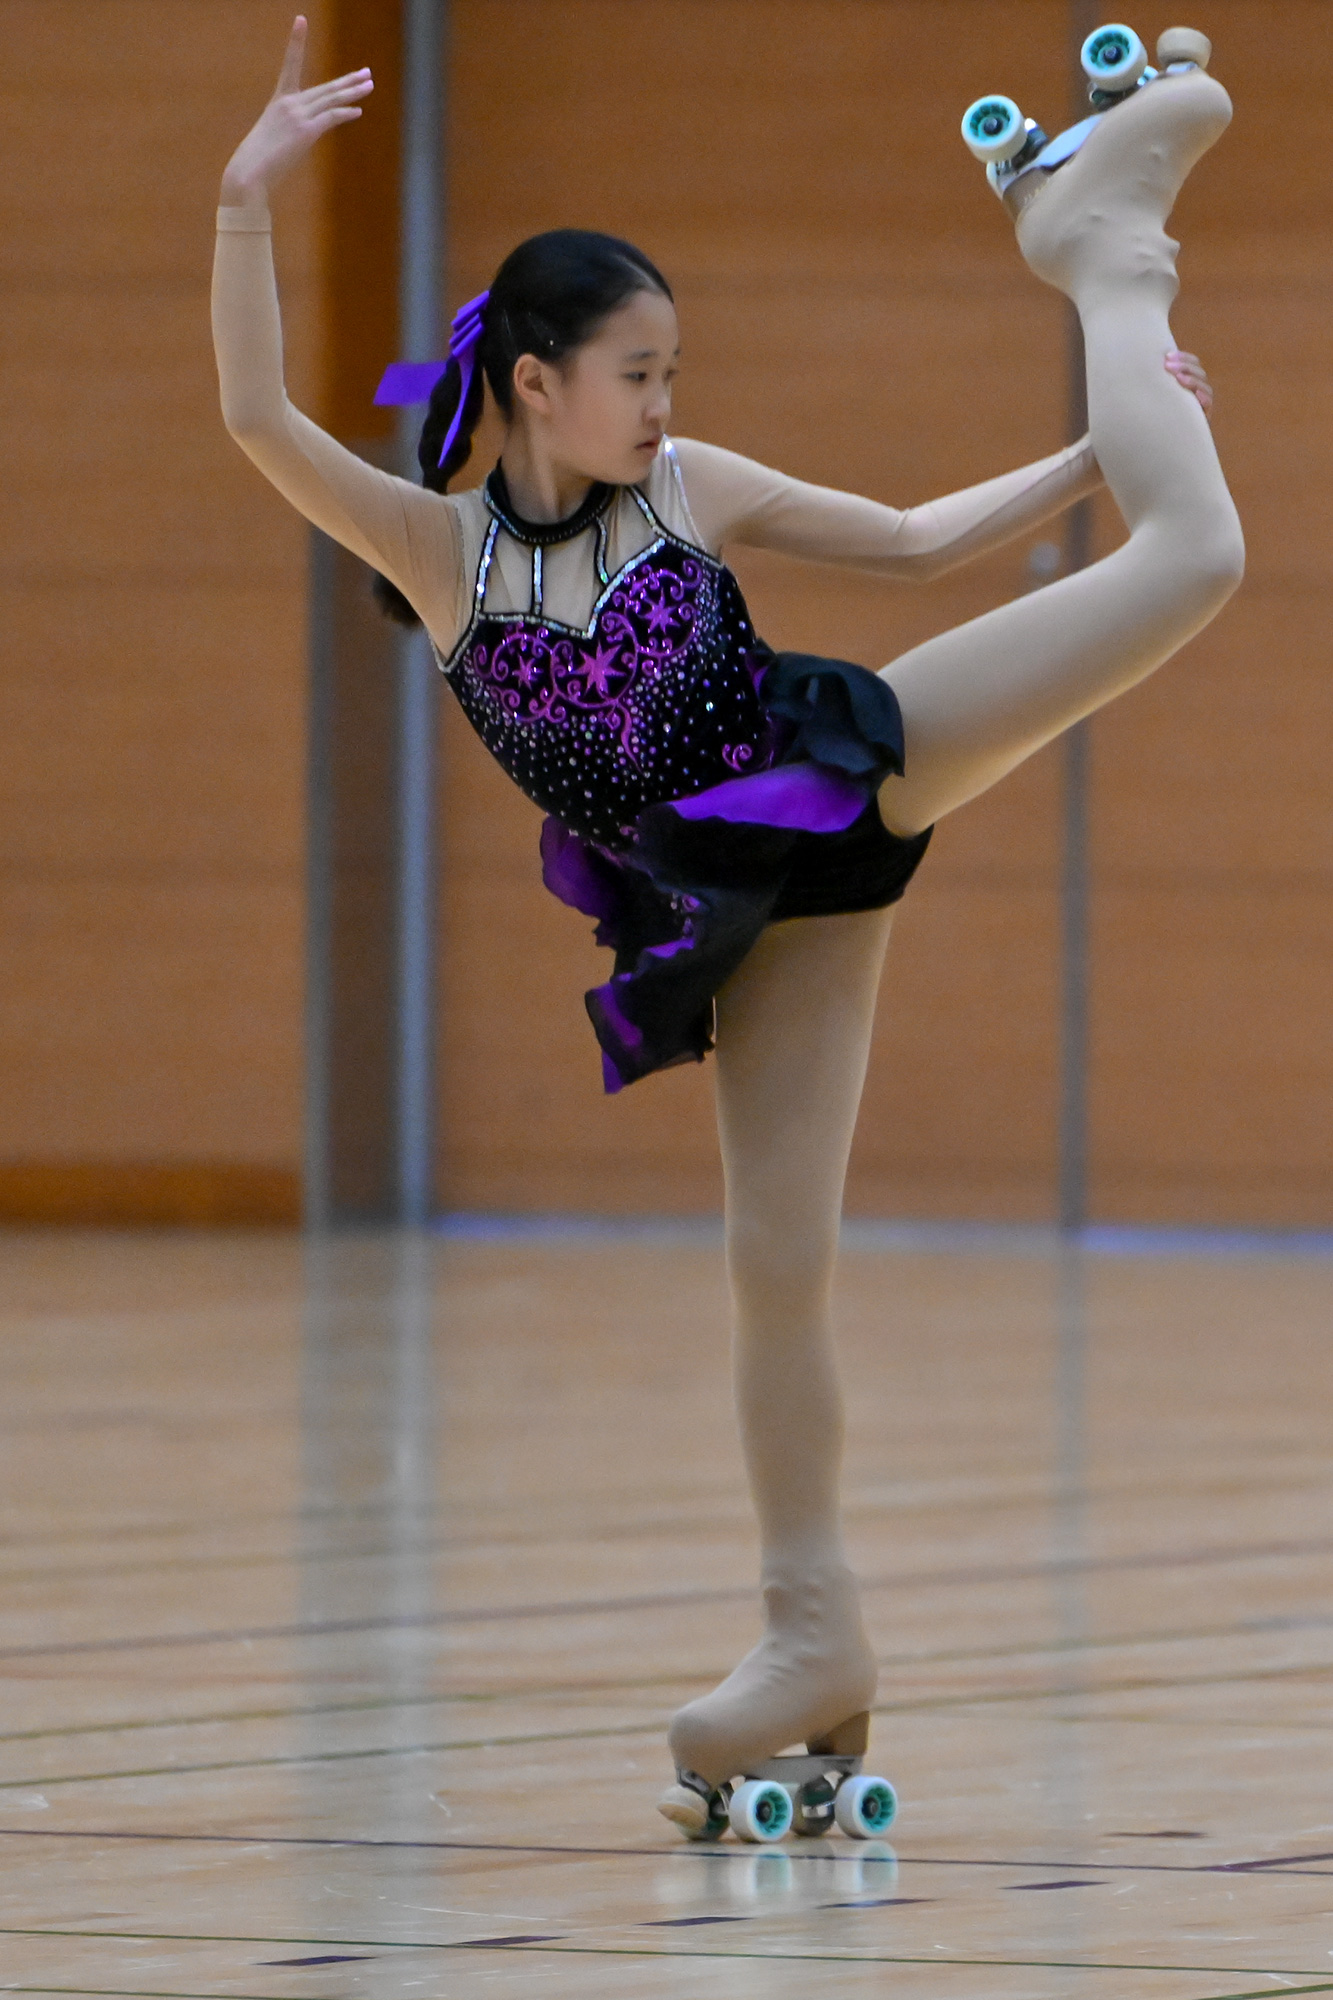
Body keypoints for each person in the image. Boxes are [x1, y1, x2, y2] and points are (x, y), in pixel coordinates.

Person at [213, 16, 1239, 1830]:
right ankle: (809, 1631)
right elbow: (255, 419)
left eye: (672, 370)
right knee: (776, 1268)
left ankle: (1105, 251)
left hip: (842, 772)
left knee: (1190, 555)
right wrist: (243, 203)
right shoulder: (440, 559)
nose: (662, 402)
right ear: (535, 384)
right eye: (637, 372)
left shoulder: (686, 493)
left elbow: (913, 542)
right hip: (743, 920)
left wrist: (1099, 446)